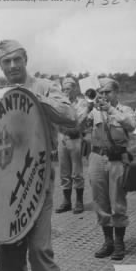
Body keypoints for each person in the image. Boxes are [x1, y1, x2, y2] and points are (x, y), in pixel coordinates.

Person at [0, 39, 78, 271]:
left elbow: (71, 117)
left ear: (26, 58)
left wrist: (35, 99)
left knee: (40, 252)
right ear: (0, 66)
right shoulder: (0, 94)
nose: (13, 66)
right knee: (9, 257)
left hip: (40, 180)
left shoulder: (44, 86)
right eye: (7, 62)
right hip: (9, 184)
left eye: (17, 59)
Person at [79, 77, 136, 260]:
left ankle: (119, 243)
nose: (103, 95)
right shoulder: (93, 111)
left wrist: (110, 109)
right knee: (100, 200)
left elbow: (131, 124)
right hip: (96, 157)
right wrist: (88, 107)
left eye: (107, 92)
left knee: (117, 202)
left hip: (117, 159)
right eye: (100, 92)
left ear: (116, 92)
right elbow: (76, 126)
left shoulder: (124, 110)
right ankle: (108, 242)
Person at [55, 77, 85, 214]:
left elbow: (77, 120)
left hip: (75, 138)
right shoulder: (60, 102)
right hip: (62, 136)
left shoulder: (81, 103)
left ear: (74, 89)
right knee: (64, 171)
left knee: (77, 172)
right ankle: (66, 201)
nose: (66, 91)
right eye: (64, 89)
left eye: (68, 88)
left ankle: (79, 201)